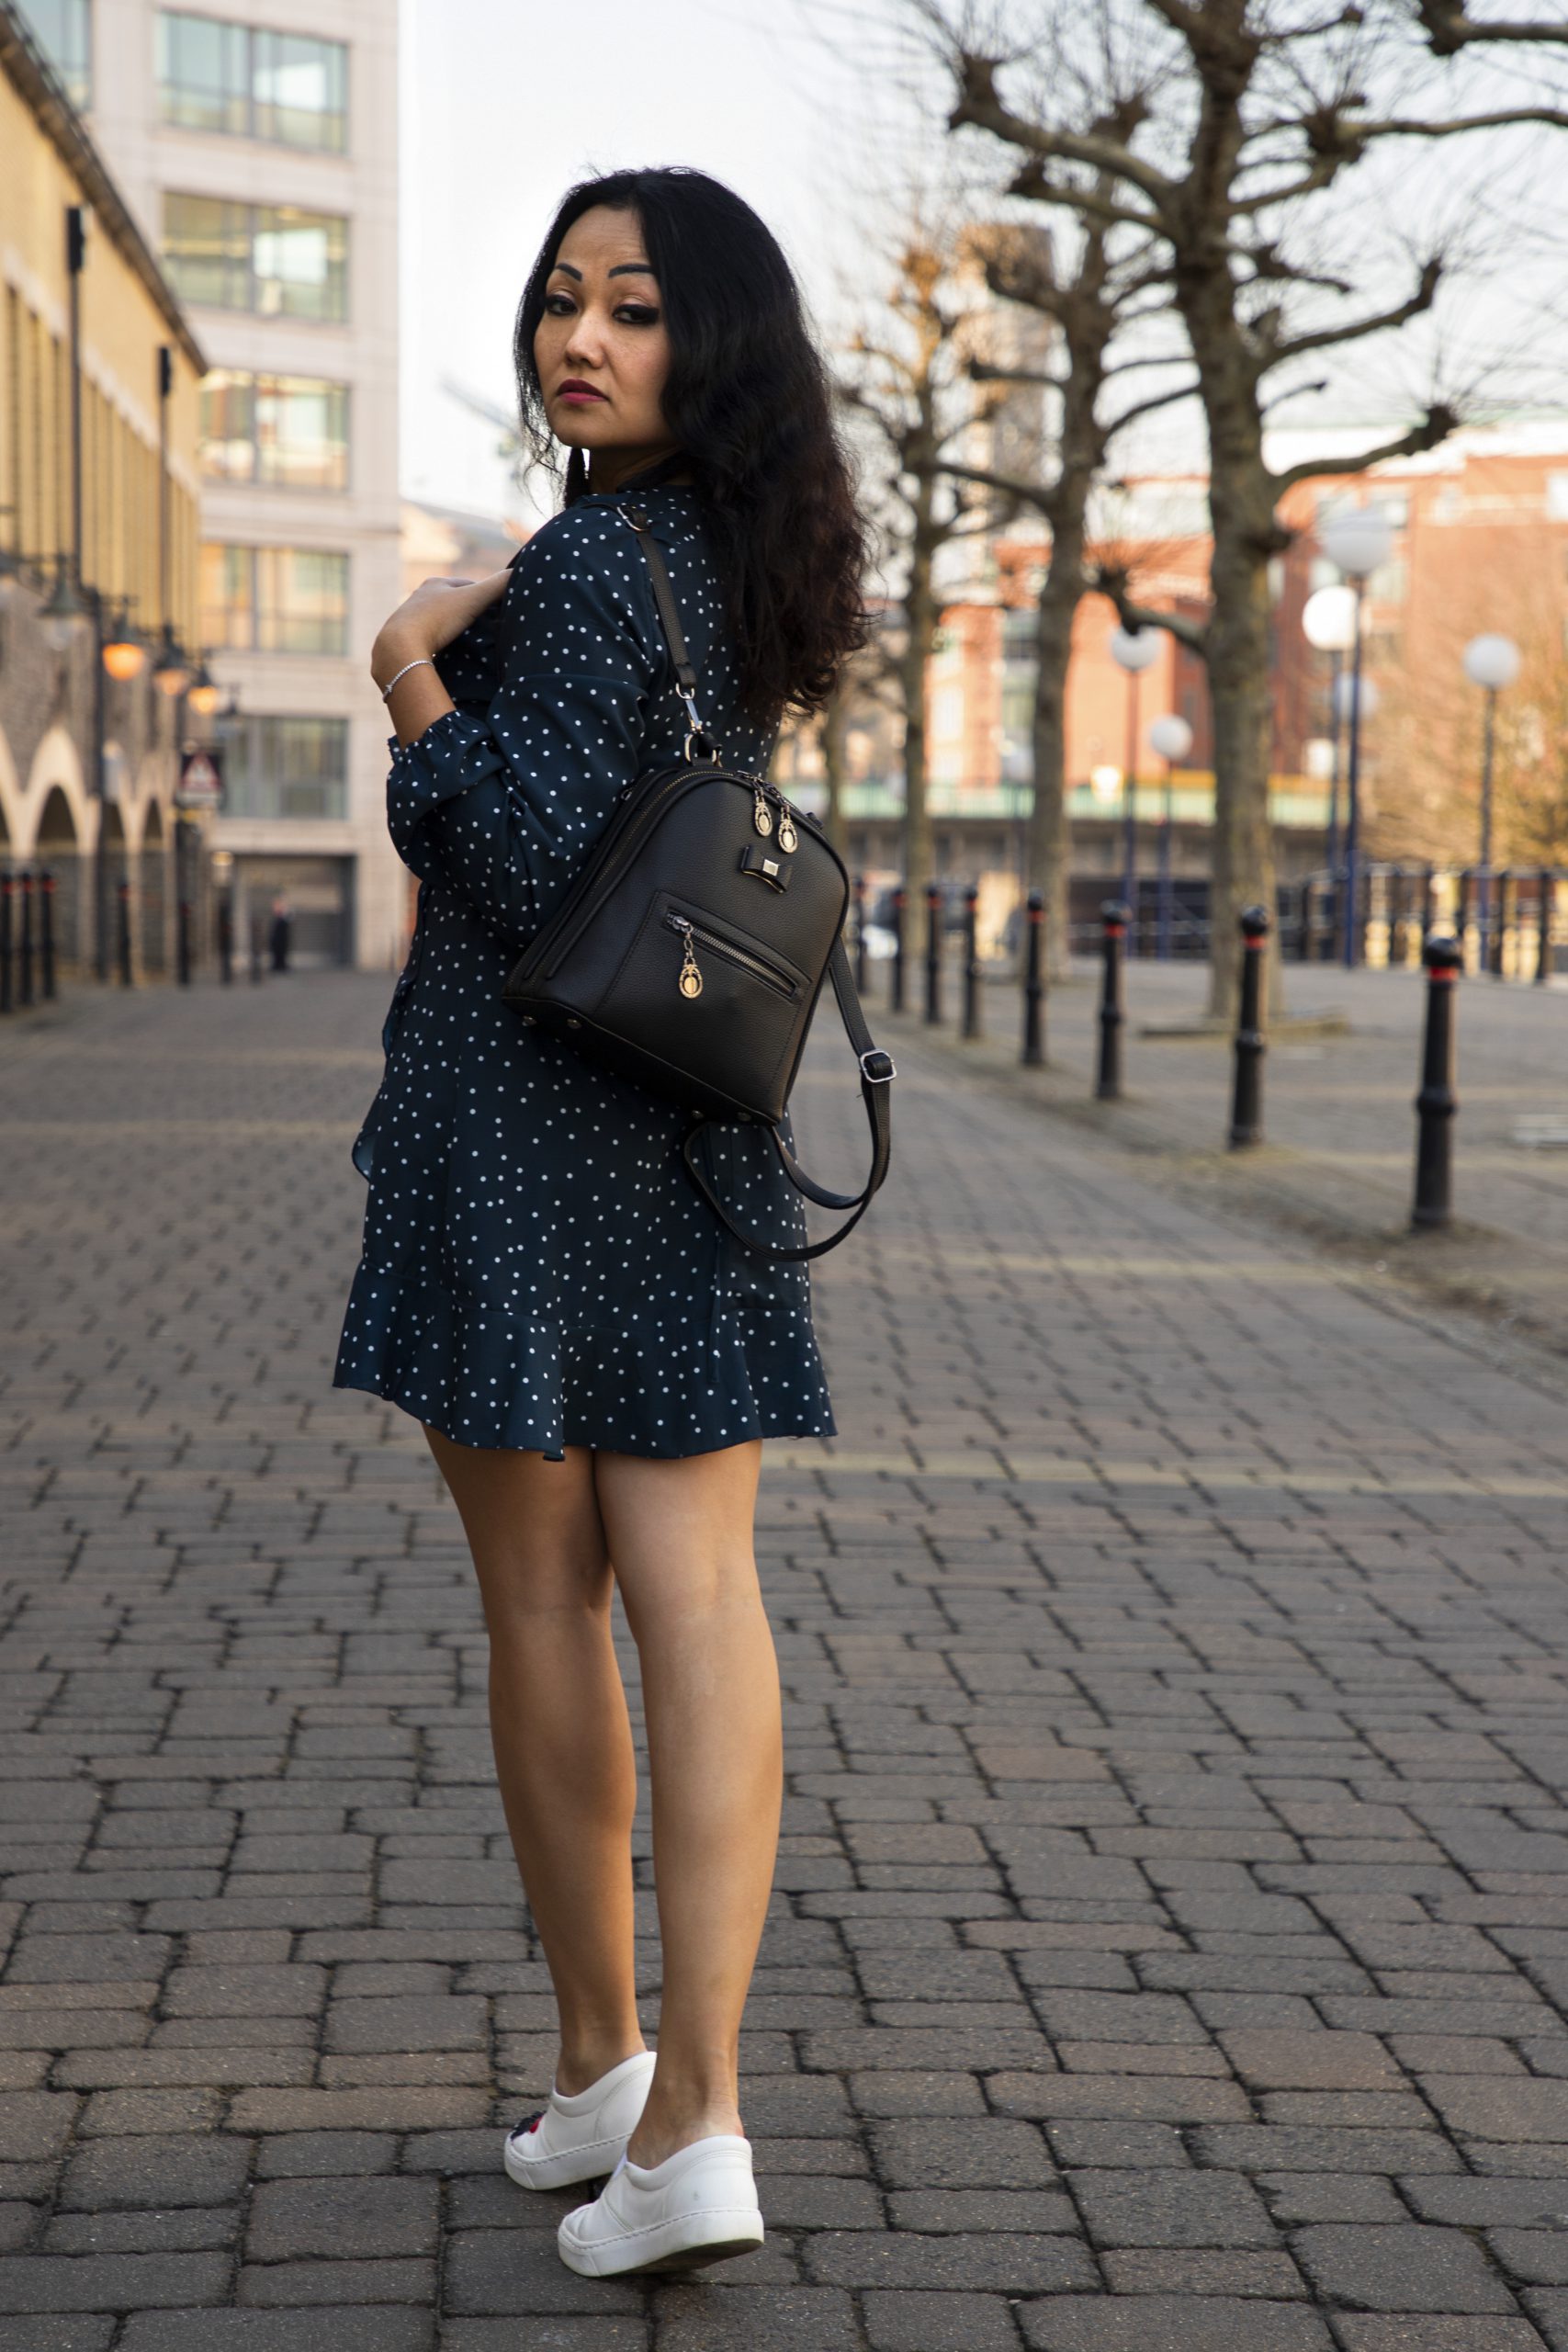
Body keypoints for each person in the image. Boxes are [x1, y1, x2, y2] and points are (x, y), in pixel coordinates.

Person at [333, 167, 867, 2277]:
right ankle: (660, 2112)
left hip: (522, 1123)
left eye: (633, 307)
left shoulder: (576, 566)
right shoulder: (729, 558)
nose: (580, 335)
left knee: (548, 1606)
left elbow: (519, 846)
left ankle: (633, 2073)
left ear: (706, 340)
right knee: (702, 1600)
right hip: (687, 1119)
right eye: (562, 297)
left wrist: (407, 669)